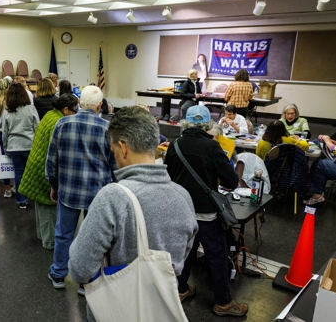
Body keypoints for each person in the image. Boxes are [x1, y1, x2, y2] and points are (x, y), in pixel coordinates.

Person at [68, 106, 198, 321]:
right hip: (160, 308)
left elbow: (79, 269)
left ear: (123, 148)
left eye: (114, 151)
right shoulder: (183, 196)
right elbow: (182, 255)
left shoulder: (113, 197)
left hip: (116, 310)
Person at [164, 105, 248, 317]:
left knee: (185, 252)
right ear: (208, 125)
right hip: (206, 213)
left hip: (181, 208)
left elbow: (168, 176)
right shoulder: (212, 148)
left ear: (186, 122)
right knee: (216, 255)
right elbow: (231, 180)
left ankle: (181, 289)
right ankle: (223, 303)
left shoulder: (175, 145)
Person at [46, 85, 117, 290]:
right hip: (98, 193)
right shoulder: (107, 129)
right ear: (99, 106)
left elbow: (52, 162)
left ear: (79, 104)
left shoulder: (62, 124)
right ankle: (88, 281)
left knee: (63, 233)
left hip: (68, 190)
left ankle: (59, 274)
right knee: (93, 238)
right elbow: (114, 166)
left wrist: (54, 186)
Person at [19, 94, 79, 250]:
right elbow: (57, 153)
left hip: (36, 164)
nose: (76, 113)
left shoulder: (50, 114)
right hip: (43, 168)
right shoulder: (58, 122)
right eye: (74, 110)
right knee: (49, 207)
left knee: (41, 205)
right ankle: (50, 242)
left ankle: (42, 236)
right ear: (65, 109)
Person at [2, 83, 40, 209]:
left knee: (19, 173)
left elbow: (5, 132)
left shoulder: (7, 111)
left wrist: (6, 148)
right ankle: (35, 198)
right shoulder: (31, 109)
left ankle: (21, 201)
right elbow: (37, 128)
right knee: (32, 173)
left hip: (14, 146)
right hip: (30, 145)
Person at [0, 78, 14, 198]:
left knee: (4, 163)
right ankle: (16, 187)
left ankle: (7, 189)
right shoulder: (10, 102)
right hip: (9, 134)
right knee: (15, 161)